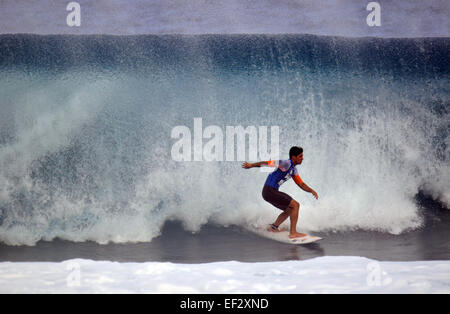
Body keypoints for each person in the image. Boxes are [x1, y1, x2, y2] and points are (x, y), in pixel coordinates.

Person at [242, 146, 318, 239]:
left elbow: (301, 184)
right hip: (269, 190)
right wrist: (251, 165)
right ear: (293, 157)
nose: (302, 158)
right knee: (296, 205)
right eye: (300, 156)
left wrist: (311, 190)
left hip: (269, 193)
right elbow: (267, 163)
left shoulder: (294, 170)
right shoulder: (285, 163)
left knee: (290, 210)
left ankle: (273, 227)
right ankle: (293, 233)